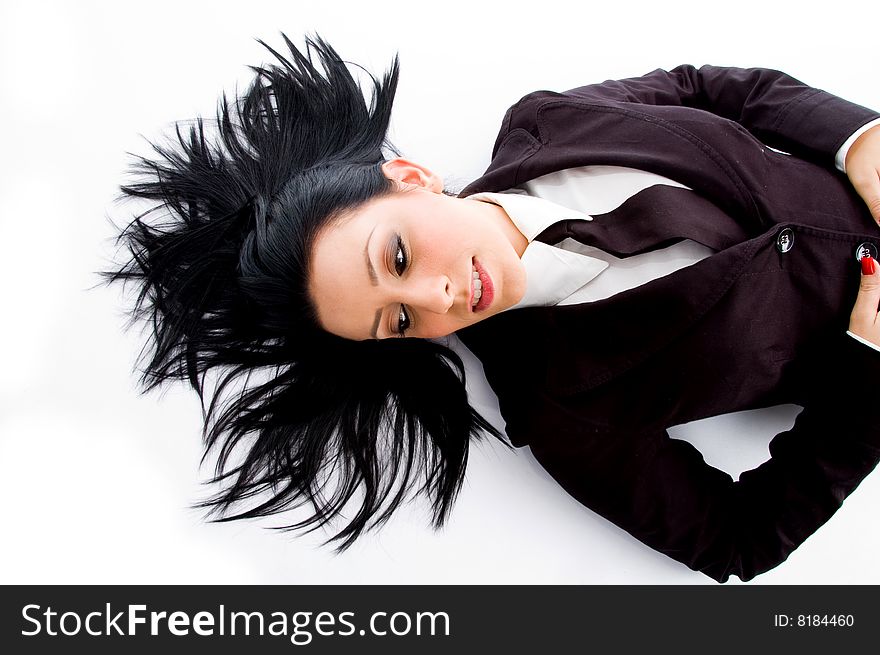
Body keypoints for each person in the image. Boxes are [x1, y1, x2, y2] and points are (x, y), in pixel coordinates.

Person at [107, 34, 880, 583]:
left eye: (398, 258)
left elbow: (709, 86)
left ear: (409, 178)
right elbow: (737, 539)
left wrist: (856, 140)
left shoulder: (551, 121)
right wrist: (866, 379)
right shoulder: (563, 408)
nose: (433, 298)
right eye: (399, 320)